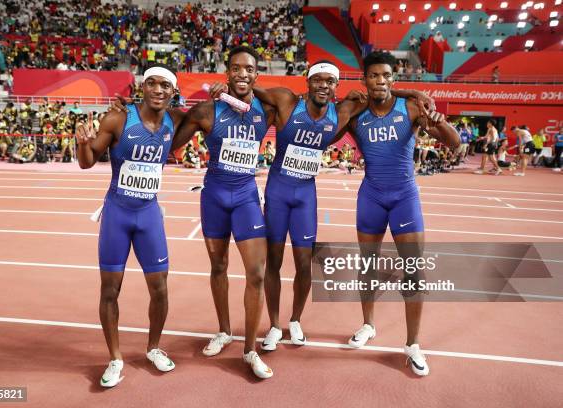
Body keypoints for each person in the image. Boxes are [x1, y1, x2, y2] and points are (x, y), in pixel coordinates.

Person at [208, 59, 434, 352]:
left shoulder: (344, 111)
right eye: (318, 80)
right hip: (278, 190)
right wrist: (226, 88)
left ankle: (296, 320)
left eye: (330, 81)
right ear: (308, 81)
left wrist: (414, 95)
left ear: (337, 86)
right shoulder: (286, 100)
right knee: (273, 262)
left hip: (305, 195)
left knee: (304, 263)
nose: (323, 86)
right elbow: (250, 88)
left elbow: (381, 89)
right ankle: (275, 325)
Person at [342, 50, 460, 377]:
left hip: (404, 196)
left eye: (386, 75)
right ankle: (368, 325)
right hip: (371, 196)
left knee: (413, 271)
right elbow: (329, 128)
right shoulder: (355, 113)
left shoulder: (411, 108)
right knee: (367, 265)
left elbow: (454, 143)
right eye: (374, 75)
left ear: (393, 78)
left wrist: (440, 122)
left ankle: (412, 345)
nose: (380, 80)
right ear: (365, 79)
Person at [169, 46, 277, 379]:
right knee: (218, 265)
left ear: (256, 75)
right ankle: (224, 330)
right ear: (227, 73)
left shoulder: (268, 109)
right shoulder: (207, 111)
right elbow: (173, 141)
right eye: (236, 68)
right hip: (214, 195)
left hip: (246, 196)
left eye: (249, 69)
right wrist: (176, 107)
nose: (242, 74)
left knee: (256, 274)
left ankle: (250, 350)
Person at [76, 66, 184, 388]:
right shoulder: (118, 119)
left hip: (149, 215)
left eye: (165, 85)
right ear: (142, 86)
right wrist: (82, 142)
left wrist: (223, 96)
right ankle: (115, 358)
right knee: (110, 290)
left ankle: (153, 347)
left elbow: (209, 116)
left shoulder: (176, 121)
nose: (158, 89)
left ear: (173, 92)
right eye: (152, 83)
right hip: (118, 214)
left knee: (160, 288)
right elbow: (86, 160)